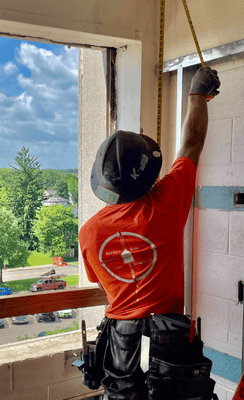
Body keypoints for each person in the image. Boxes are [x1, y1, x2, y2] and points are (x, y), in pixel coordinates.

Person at [79, 67, 221, 400]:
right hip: (167, 340)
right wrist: (197, 94)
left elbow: (101, 281)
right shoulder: (167, 204)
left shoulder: (89, 233)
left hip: (119, 343)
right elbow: (191, 144)